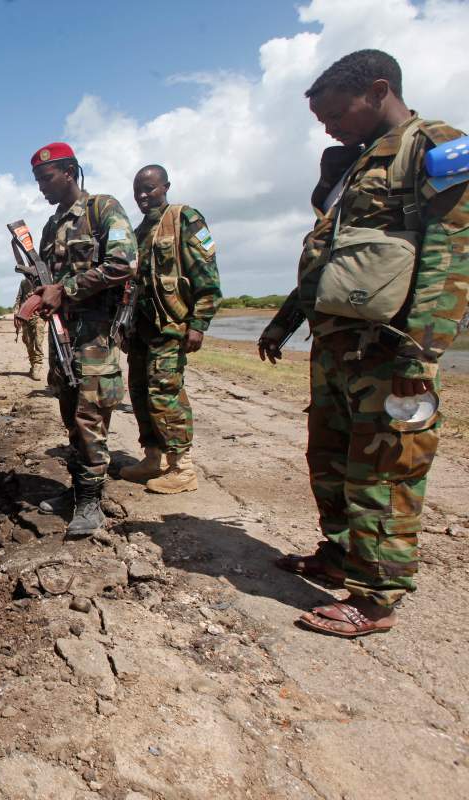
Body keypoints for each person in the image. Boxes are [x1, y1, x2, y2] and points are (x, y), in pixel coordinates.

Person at [258, 50, 469, 638]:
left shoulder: (434, 146)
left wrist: (419, 352)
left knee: (385, 473)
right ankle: (341, 555)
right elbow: (327, 264)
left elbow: (452, 256)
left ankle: (376, 598)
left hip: (388, 351)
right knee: (329, 463)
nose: (327, 128)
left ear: (379, 90)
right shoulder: (352, 167)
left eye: (335, 113)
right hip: (337, 349)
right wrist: (282, 325)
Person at [32, 142, 137, 535]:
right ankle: (77, 489)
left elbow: (124, 263)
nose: (42, 187)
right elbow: (47, 280)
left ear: (70, 172)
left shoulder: (102, 209)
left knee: (90, 415)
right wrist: (40, 294)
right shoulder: (49, 226)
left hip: (93, 336)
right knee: (69, 413)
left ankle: (91, 501)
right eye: (38, 180)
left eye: (47, 178)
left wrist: (68, 288)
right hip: (61, 337)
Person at [121, 164, 221, 494]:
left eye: (149, 188)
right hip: (141, 331)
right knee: (139, 393)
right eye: (138, 191)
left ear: (166, 186)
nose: (143, 196)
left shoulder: (184, 219)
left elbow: (207, 274)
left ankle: (183, 467)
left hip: (170, 327)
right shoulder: (138, 233)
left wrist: (199, 323)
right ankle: (154, 457)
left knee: (165, 393)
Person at [13, 275, 44, 380]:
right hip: (26, 316)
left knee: (38, 342)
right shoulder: (24, 283)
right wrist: (16, 314)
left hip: (39, 315)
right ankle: (33, 364)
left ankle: (37, 366)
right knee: (28, 342)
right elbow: (18, 299)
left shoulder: (43, 280)